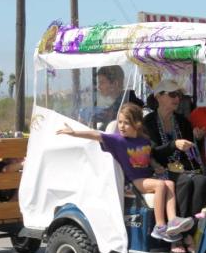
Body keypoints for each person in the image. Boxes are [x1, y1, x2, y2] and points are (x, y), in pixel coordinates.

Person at [57, 102, 194, 243]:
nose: (121, 126)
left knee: (170, 183)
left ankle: (172, 221)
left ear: (137, 123)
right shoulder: (118, 140)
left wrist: (156, 166)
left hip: (147, 177)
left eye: (126, 123)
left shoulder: (145, 140)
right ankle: (159, 226)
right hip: (134, 181)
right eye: (120, 122)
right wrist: (74, 133)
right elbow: (96, 134)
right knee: (160, 185)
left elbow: (148, 157)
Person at [143, 79, 206, 253]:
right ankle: (178, 236)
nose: (177, 98)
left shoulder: (182, 121)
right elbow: (153, 151)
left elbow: (192, 150)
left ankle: (189, 232)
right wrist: (175, 144)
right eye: (172, 94)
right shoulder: (148, 122)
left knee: (202, 181)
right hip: (160, 170)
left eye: (178, 95)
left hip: (183, 168)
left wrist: (198, 139)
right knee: (185, 182)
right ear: (159, 96)